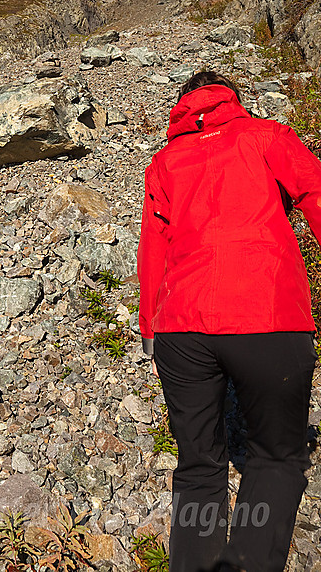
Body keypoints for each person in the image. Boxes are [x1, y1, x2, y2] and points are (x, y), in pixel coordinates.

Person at [137, 70, 319, 572]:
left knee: (198, 466)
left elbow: (154, 247)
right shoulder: (267, 135)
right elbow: (317, 196)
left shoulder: (166, 162)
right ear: (232, 100)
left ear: (181, 109)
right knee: (276, 457)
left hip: (181, 328)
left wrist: (150, 328)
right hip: (268, 316)